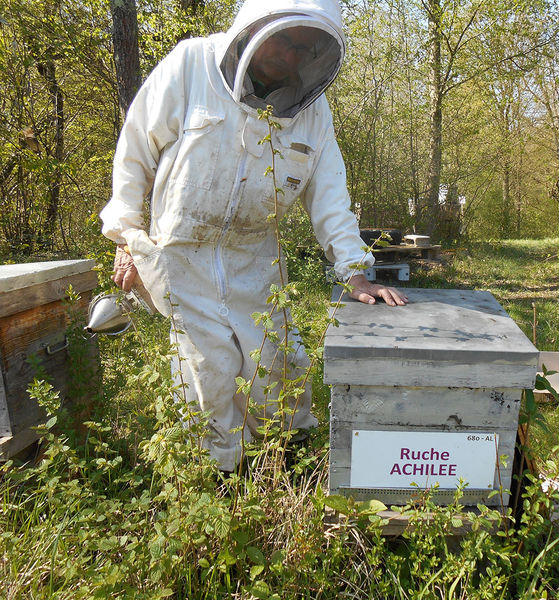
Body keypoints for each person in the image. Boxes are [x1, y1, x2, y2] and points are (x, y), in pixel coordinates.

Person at [100, 0, 407, 472]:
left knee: (279, 367)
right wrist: (126, 234)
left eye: (303, 49)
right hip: (181, 258)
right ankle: (224, 479)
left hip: (254, 258)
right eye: (283, 40)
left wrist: (354, 271)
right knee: (208, 374)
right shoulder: (191, 65)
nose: (289, 56)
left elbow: (329, 195)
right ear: (254, 27)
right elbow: (135, 149)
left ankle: (282, 466)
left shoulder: (312, 112)